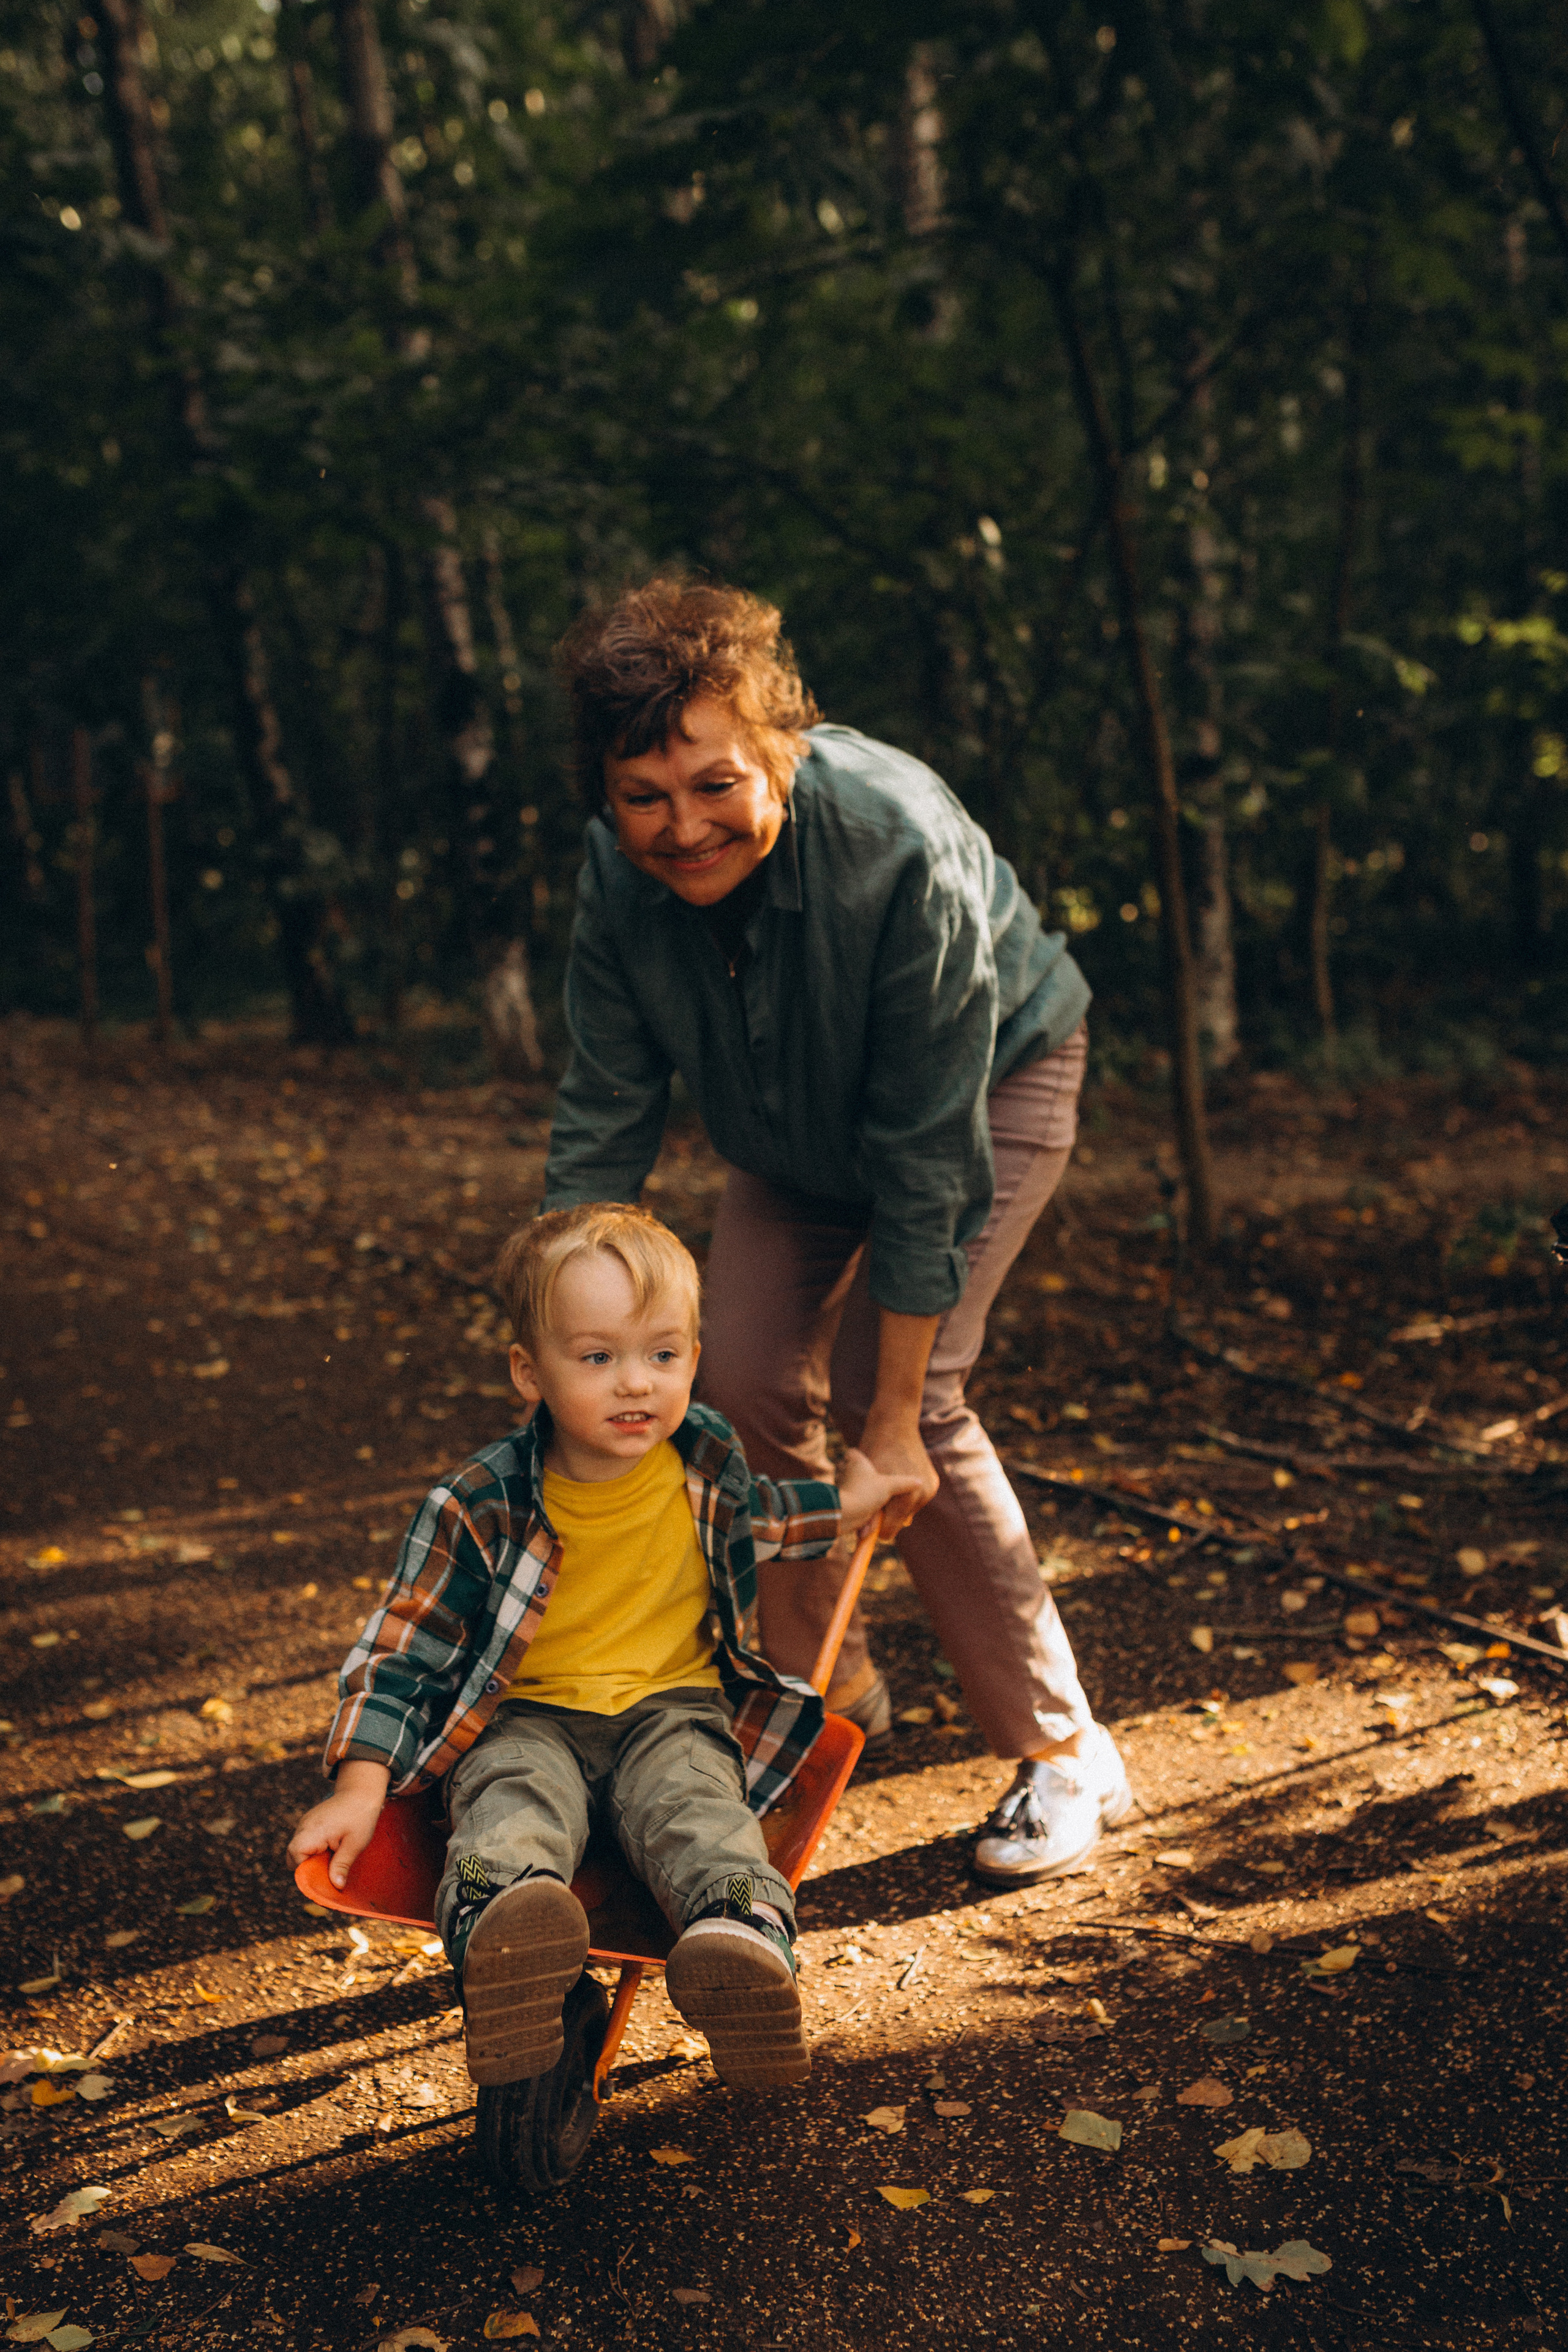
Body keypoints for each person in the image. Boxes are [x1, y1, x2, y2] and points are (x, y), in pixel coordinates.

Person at [543, 580, 1134, 1887]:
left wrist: (885, 1431)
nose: (680, 828)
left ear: (780, 747)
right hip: (790, 1129)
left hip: (990, 1085)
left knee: (900, 1404)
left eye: (712, 785)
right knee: (742, 1379)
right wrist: (563, 1340)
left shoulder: (896, 846)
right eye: (643, 796)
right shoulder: (616, 870)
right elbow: (604, 1110)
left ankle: (1061, 1749)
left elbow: (927, 1156)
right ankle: (811, 1689)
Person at [287, 1204, 919, 2092]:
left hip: (676, 1715)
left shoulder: (704, 1462)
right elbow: (403, 1645)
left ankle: (736, 1944)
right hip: (525, 1719)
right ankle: (507, 1930)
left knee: (701, 1813)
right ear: (528, 1371)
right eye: (598, 1358)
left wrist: (853, 1505)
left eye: (663, 1356)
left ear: (695, 1361)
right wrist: (360, 1785)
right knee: (508, 1809)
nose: (636, 1384)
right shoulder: (480, 1500)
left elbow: (765, 1519)